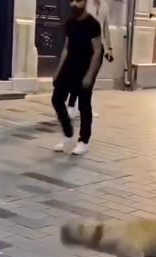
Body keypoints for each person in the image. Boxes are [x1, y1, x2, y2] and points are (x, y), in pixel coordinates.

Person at [51, 0, 103, 155]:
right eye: (72, 0)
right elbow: (66, 48)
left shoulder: (93, 24)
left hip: (85, 66)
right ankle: (68, 135)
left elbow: (97, 51)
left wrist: (89, 75)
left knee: (84, 105)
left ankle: (84, 141)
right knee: (57, 99)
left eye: (78, 1)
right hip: (69, 65)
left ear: (85, 2)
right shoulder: (70, 23)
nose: (74, 4)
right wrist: (58, 70)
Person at [66, 0, 113, 119]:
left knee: (90, 79)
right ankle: (71, 106)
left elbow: (106, 29)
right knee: (78, 77)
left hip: (98, 46)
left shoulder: (105, 7)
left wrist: (109, 47)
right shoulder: (85, 4)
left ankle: (86, 108)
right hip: (83, 45)